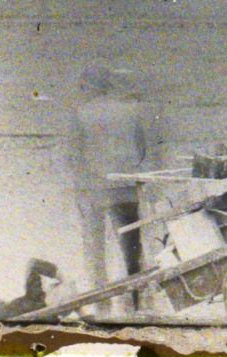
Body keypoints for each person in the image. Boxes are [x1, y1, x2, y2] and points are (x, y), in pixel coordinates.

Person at [67, 67, 164, 302]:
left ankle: (101, 303)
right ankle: (137, 301)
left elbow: (74, 156)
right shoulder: (129, 112)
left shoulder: (81, 114)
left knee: (96, 251)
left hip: (95, 191)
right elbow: (141, 150)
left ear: (90, 88)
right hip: (125, 190)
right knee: (131, 249)